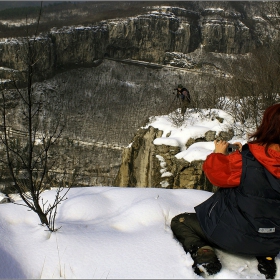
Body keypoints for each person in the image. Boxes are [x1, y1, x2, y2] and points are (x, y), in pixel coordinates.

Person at [171, 103, 280, 279]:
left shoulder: (246, 159)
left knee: (180, 222)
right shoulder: (247, 158)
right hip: (274, 242)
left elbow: (216, 175)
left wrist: (220, 154)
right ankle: (266, 257)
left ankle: (204, 252)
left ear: (268, 125)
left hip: (233, 236)